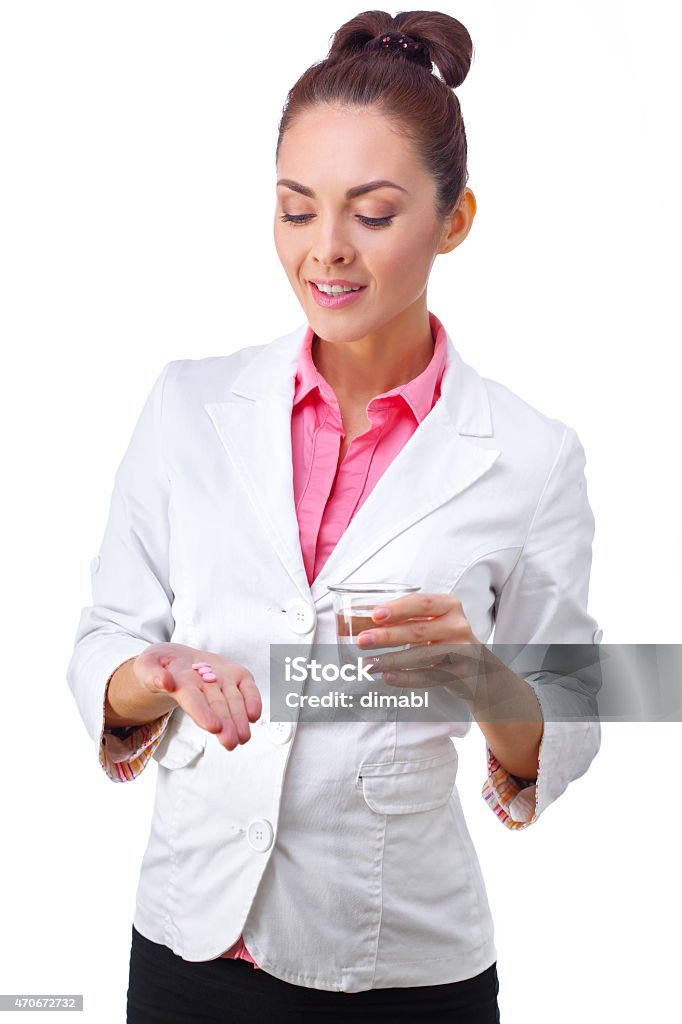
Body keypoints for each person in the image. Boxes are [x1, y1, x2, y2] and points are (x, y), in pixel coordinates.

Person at [66, 10, 602, 1023]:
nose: (326, 252)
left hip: (398, 969)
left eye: (374, 211)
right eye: (295, 208)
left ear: (454, 220)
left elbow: (573, 714)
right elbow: (106, 637)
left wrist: (480, 675)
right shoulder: (186, 405)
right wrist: (149, 677)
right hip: (186, 944)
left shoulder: (533, 455)